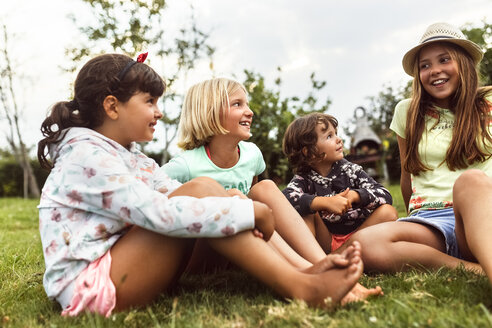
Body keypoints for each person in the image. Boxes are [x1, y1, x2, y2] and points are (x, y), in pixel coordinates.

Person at [36, 54, 369, 317]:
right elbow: (161, 214)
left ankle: (307, 273)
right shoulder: (86, 156)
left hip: (122, 267)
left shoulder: (130, 157)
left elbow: (179, 191)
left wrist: (236, 201)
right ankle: (301, 286)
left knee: (213, 192)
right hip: (93, 287)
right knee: (208, 193)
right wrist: (248, 211)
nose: (159, 112)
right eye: (150, 101)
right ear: (112, 106)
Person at [161, 77, 382, 301]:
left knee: (264, 188)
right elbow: (157, 209)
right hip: (204, 254)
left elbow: (258, 201)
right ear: (209, 112)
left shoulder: (251, 154)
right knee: (235, 198)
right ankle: (308, 274)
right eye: (237, 104)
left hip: (245, 247)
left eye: (246, 104)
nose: (249, 111)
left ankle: (320, 266)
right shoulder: (184, 165)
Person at [348, 22, 492, 283]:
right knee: (362, 244)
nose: (434, 71)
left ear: (464, 63)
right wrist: (413, 219)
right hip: (433, 221)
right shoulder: (408, 111)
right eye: (425, 65)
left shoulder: (489, 102)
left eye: (444, 60)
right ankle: (473, 269)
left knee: (471, 181)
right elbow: (408, 173)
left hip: (484, 210)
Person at [282, 113, 398, 253]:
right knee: (305, 212)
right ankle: (333, 255)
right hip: (326, 240)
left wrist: (355, 196)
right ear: (309, 152)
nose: (339, 140)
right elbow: (285, 199)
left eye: (336, 134)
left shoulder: (350, 170)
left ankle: (340, 254)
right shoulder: (303, 179)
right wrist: (324, 202)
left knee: (388, 212)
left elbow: (384, 195)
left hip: (360, 235)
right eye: (329, 136)